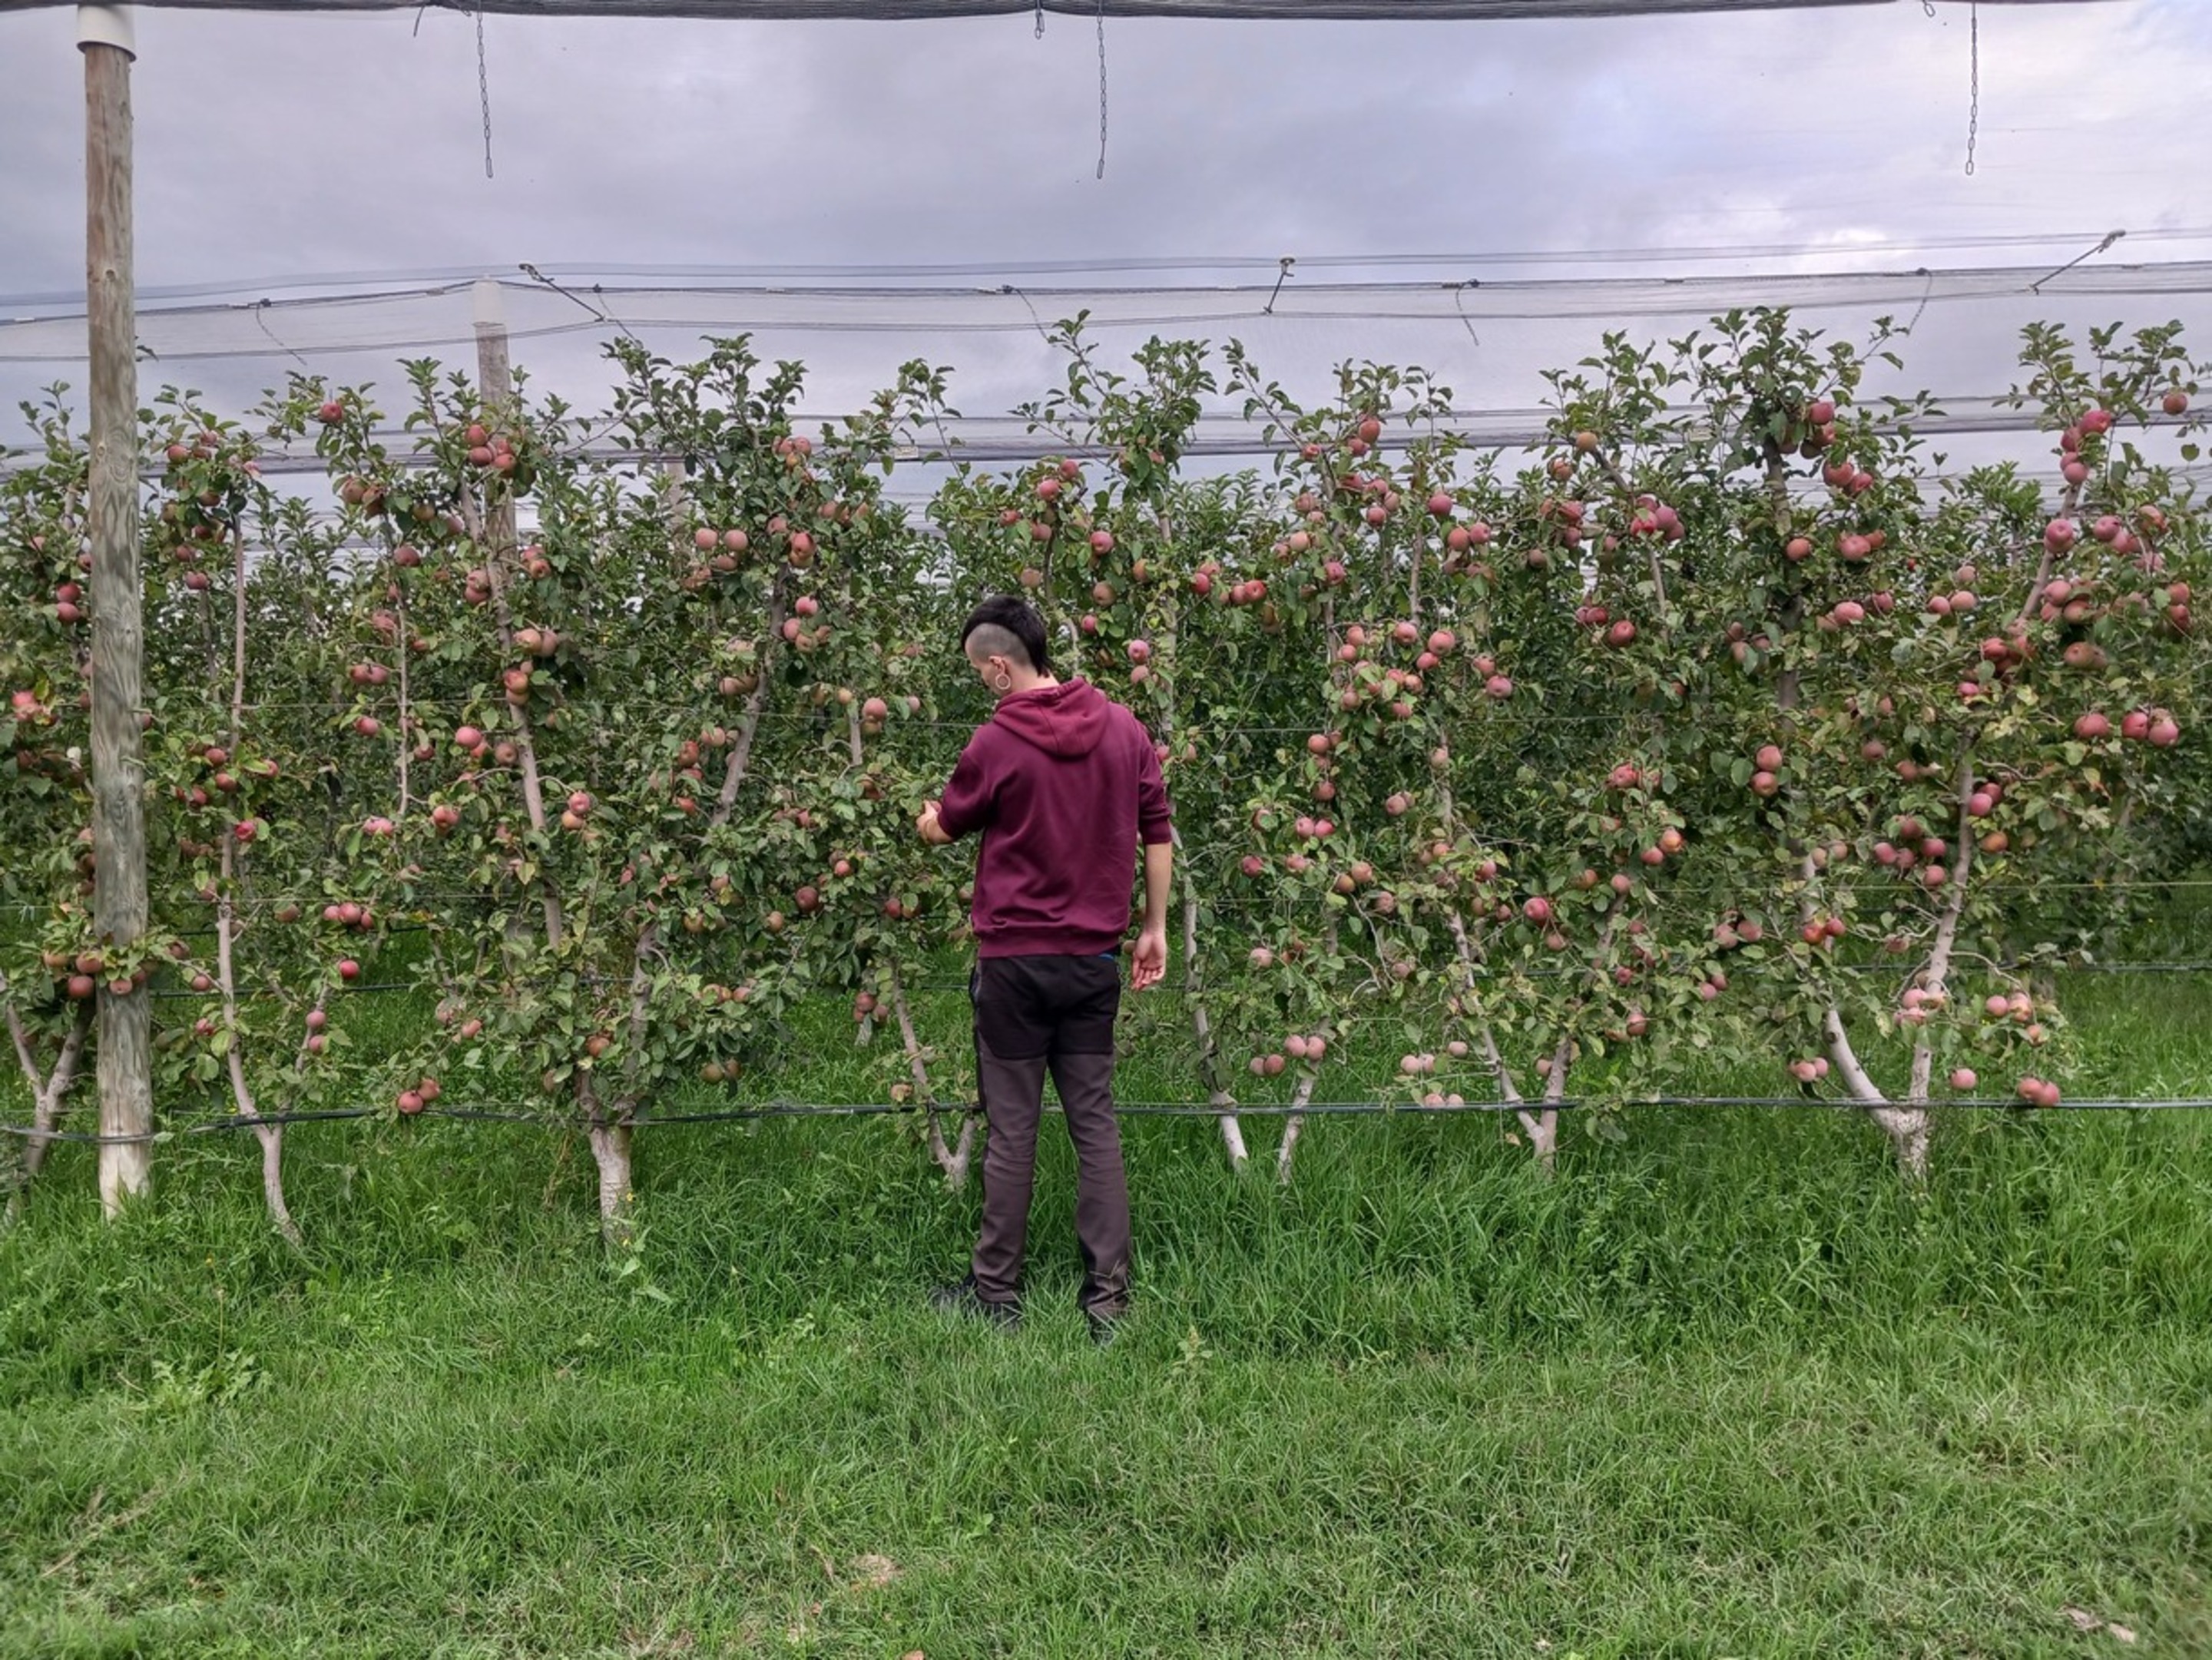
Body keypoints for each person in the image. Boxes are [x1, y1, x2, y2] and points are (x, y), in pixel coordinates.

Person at [916, 594, 1172, 1344]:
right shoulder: (1123, 729)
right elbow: (1156, 829)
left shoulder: (996, 743)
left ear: (999, 664)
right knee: (1095, 1125)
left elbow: (946, 826)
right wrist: (1153, 926)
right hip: (1092, 961)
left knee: (1014, 1131)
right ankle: (1108, 1302)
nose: (982, 683)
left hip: (1015, 966)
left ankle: (996, 1294)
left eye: (978, 671)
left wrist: (925, 817)